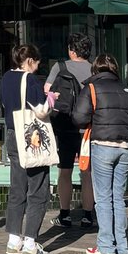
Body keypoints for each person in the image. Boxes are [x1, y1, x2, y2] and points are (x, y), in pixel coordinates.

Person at [72, 52, 128, 254]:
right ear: (115, 69)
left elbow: (78, 117)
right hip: (125, 148)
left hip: (102, 146)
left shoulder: (92, 88)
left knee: (103, 199)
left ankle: (105, 247)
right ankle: (122, 247)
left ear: (95, 69)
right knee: (118, 198)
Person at [0, 43, 52, 254]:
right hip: (31, 137)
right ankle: (31, 243)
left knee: (17, 188)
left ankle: (14, 241)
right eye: (37, 63)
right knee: (38, 190)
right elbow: (40, 110)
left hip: (12, 135)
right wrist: (51, 98)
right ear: (30, 60)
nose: (37, 68)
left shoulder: (5, 78)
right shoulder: (29, 79)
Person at [45, 34, 95, 231]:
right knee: (87, 173)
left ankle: (64, 214)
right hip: (87, 130)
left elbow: (47, 91)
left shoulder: (60, 67)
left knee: (64, 172)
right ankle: (88, 216)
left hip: (65, 127)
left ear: (71, 50)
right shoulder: (94, 69)